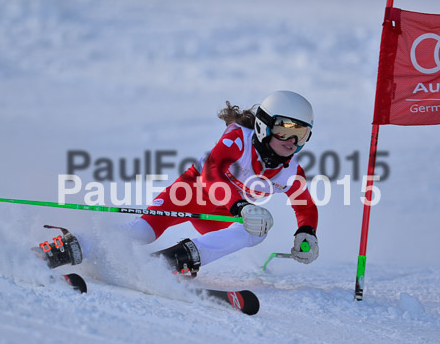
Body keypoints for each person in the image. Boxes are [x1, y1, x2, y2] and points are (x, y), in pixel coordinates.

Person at [38, 91, 319, 275]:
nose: (291, 142)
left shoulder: (290, 171)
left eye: (301, 134)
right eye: (284, 130)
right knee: (144, 232)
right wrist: (241, 206)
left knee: (258, 229)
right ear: (264, 125)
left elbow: (305, 205)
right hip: (188, 195)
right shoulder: (238, 139)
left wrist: (307, 232)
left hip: (221, 215)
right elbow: (211, 173)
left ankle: (173, 261)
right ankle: (67, 248)